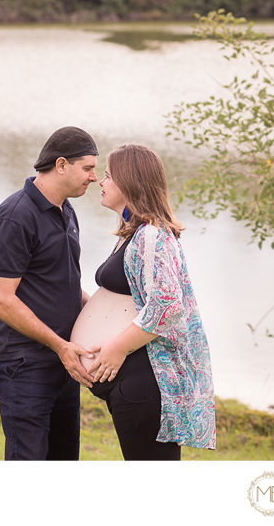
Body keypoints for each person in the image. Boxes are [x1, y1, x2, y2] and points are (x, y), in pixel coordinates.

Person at [74, 143, 215, 460]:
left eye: (108, 176)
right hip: (133, 385)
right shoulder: (136, 233)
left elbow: (167, 308)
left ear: (129, 183)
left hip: (144, 384)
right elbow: (132, 299)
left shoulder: (152, 235)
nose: (101, 181)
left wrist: (116, 347)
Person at [0, 126, 99, 461]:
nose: (94, 177)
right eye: (88, 168)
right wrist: (60, 346)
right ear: (61, 165)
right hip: (23, 365)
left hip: (63, 361)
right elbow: (1, 300)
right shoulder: (15, 217)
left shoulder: (66, 210)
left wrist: (101, 316)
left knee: (63, 460)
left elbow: (61, 280)